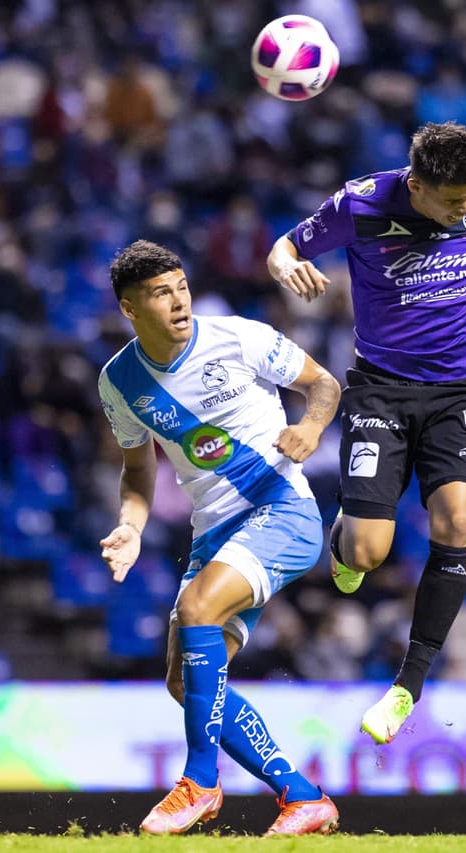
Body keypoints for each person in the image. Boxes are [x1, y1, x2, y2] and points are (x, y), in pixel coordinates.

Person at [267, 121, 466, 743]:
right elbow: (284, 247)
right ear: (417, 186)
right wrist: (289, 267)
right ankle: (343, 543)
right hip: (382, 388)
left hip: (458, 389)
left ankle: (408, 686)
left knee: (457, 520)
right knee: (366, 553)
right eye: (452, 201)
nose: (465, 209)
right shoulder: (361, 204)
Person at [97, 240, 341, 836]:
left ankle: (200, 783)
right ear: (130, 309)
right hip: (214, 530)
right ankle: (303, 797)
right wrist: (131, 525)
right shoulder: (119, 381)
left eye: (181, 287)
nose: (179, 301)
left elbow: (325, 384)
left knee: (196, 609)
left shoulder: (238, 337)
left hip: (282, 510)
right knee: (185, 682)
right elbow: (137, 469)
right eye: (162, 294)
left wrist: (310, 428)